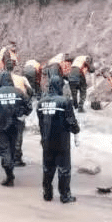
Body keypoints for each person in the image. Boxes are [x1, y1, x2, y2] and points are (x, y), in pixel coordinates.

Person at [0, 72, 32, 186]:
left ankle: (9, 175)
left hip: (1, 125)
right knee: (13, 148)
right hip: (16, 124)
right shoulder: (19, 92)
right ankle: (11, 170)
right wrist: (22, 115)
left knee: (4, 150)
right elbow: (29, 106)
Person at [37, 75, 81, 203]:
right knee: (64, 169)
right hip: (61, 141)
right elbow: (71, 121)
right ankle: (65, 196)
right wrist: (76, 132)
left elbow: (41, 123)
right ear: (60, 86)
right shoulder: (64, 101)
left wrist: (43, 138)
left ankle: (47, 194)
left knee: (47, 168)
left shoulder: (41, 103)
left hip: (46, 141)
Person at [9, 71, 33, 167]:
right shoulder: (23, 80)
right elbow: (30, 92)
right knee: (18, 135)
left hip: (6, 114)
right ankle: (17, 159)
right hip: (19, 112)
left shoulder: (1, 87)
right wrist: (25, 114)